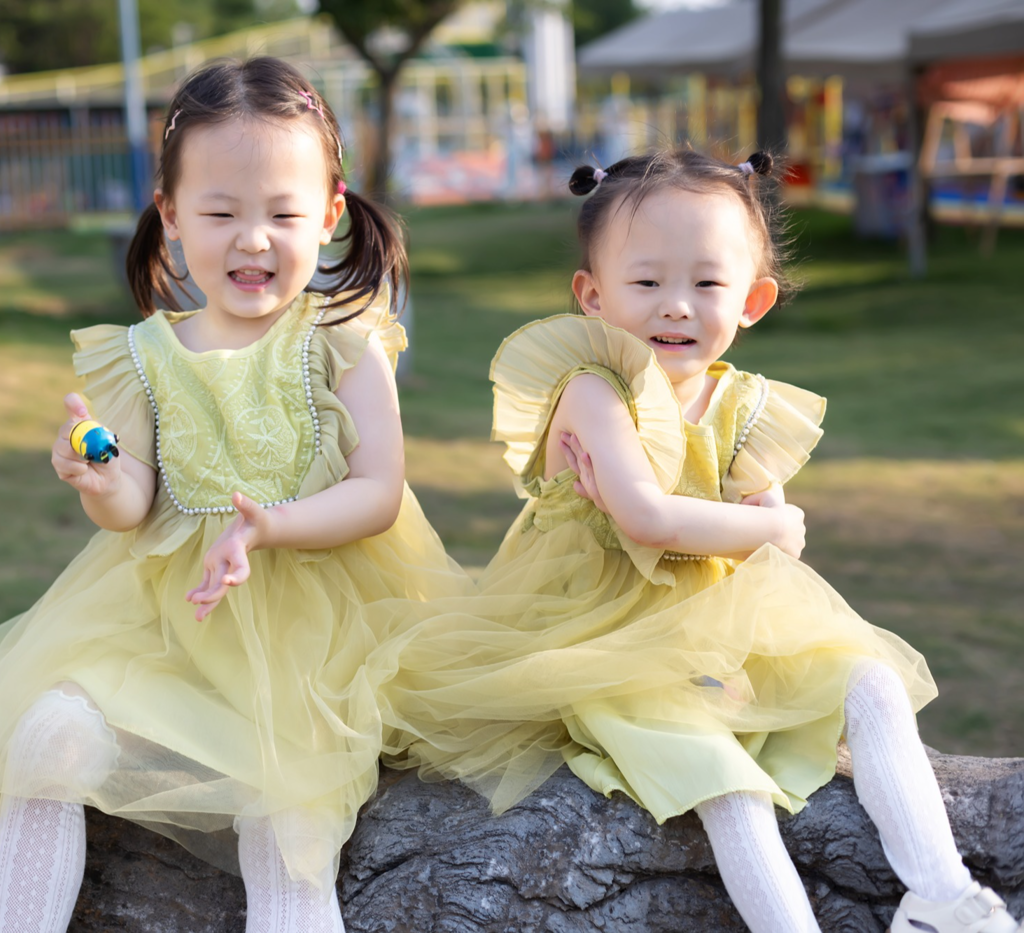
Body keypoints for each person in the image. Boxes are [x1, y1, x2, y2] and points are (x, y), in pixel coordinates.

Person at [0, 57, 470, 933]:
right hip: (167, 625)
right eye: (221, 213)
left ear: (331, 213)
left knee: (286, 822)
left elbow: (378, 491)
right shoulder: (144, 355)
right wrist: (102, 479)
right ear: (170, 213)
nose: (253, 240)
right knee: (43, 740)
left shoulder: (344, 340)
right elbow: (132, 504)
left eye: (283, 214)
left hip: (319, 640)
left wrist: (271, 525)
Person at [373, 149, 1020, 933]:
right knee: (724, 779)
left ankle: (941, 896)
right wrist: (771, 525)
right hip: (605, 631)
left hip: (719, 619)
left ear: (752, 299)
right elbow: (650, 518)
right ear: (593, 295)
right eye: (647, 283)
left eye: (707, 284)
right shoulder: (594, 392)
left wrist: (764, 529)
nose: (676, 306)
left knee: (873, 682)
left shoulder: (742, 404)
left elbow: (766, 550)